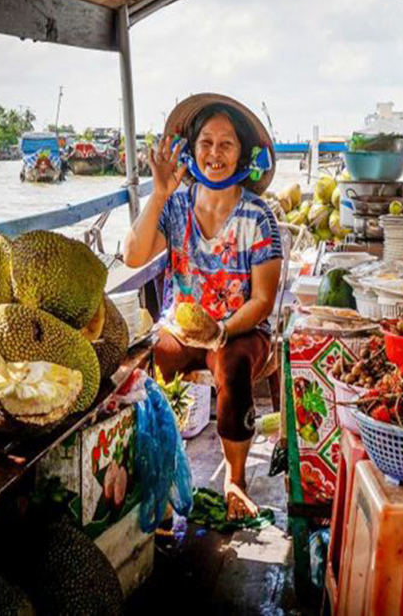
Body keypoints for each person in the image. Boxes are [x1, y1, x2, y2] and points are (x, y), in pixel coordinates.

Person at [124, 99, 282, 521]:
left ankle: (235, 479)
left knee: (230, 366)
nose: (215, 153)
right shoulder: (175, 207)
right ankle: (161, 465)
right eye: (206, 143)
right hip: (183, 326)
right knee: (149, 359)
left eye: (226, 144)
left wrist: (223, 331)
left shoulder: (258, 216)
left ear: (242, 154)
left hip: (243, 331)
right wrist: (159, 195)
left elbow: (263, 300)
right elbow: (133, 256)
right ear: (191, 151)